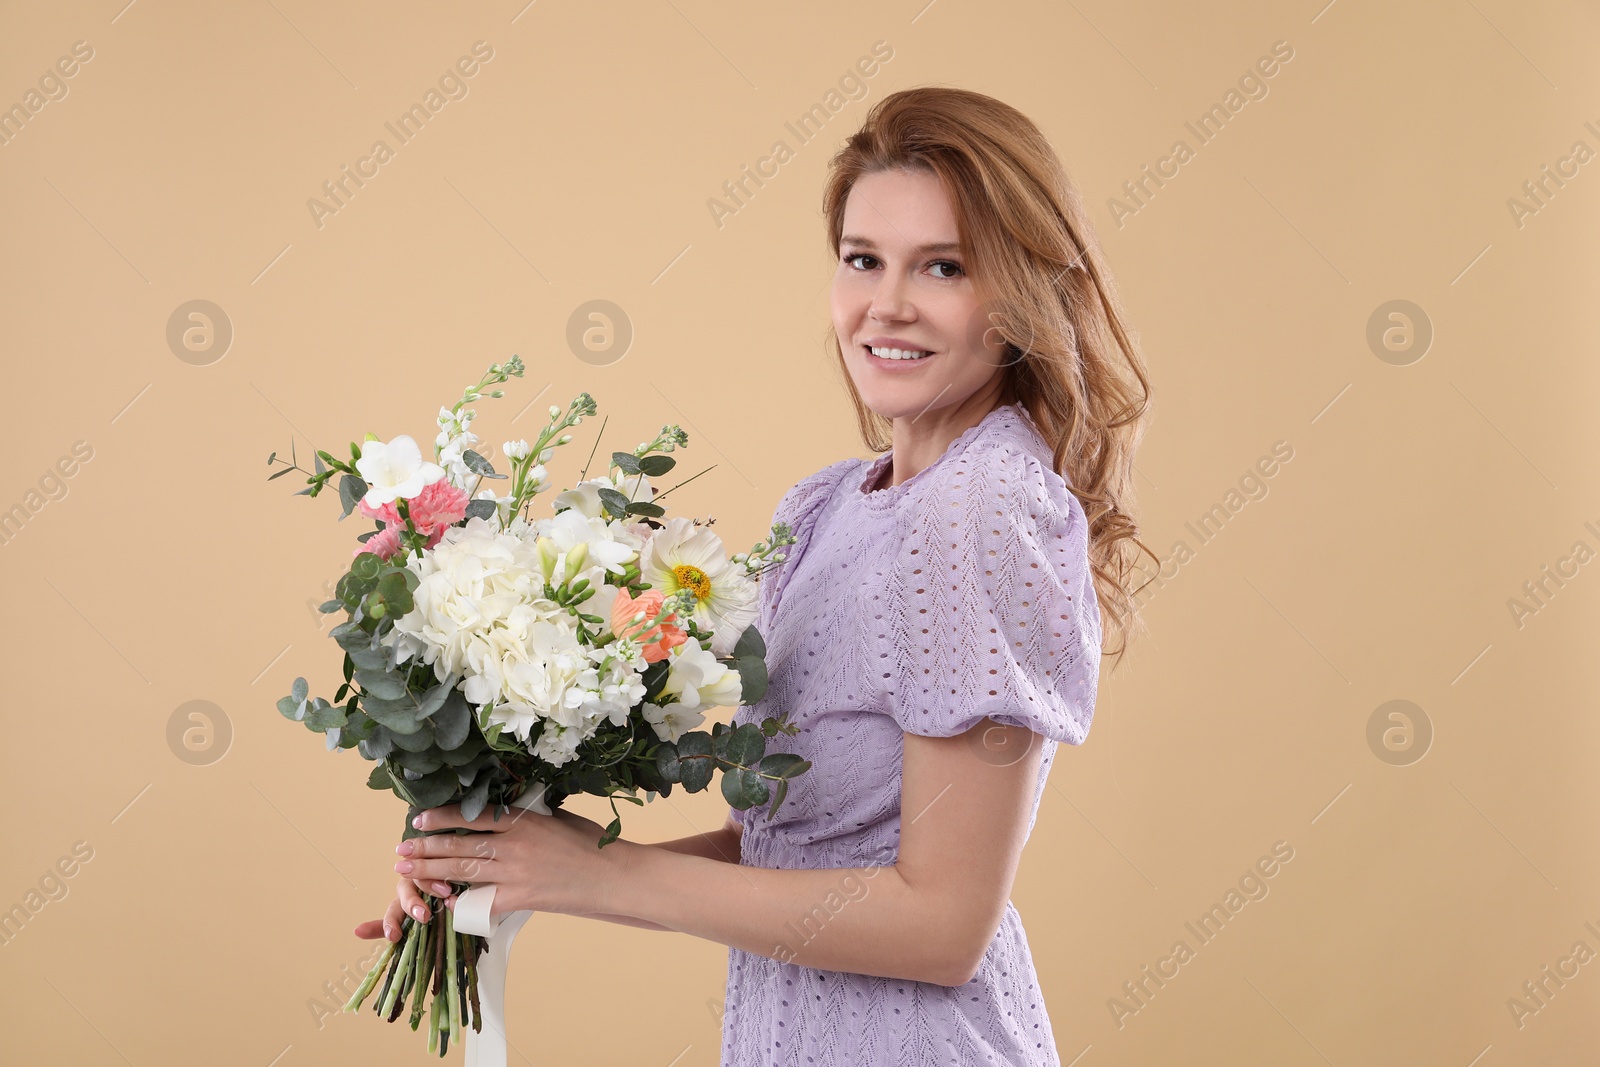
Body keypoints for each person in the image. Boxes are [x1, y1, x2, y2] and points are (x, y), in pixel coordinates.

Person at [356, 85, 1154, 1065]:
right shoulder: (825, 509)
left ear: (1021, 294)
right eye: (862, 259)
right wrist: (517, 860)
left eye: (942, 267)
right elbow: (784, 858)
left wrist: (596, 876)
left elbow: (942, 926)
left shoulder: (978, 505)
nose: (885, 304)